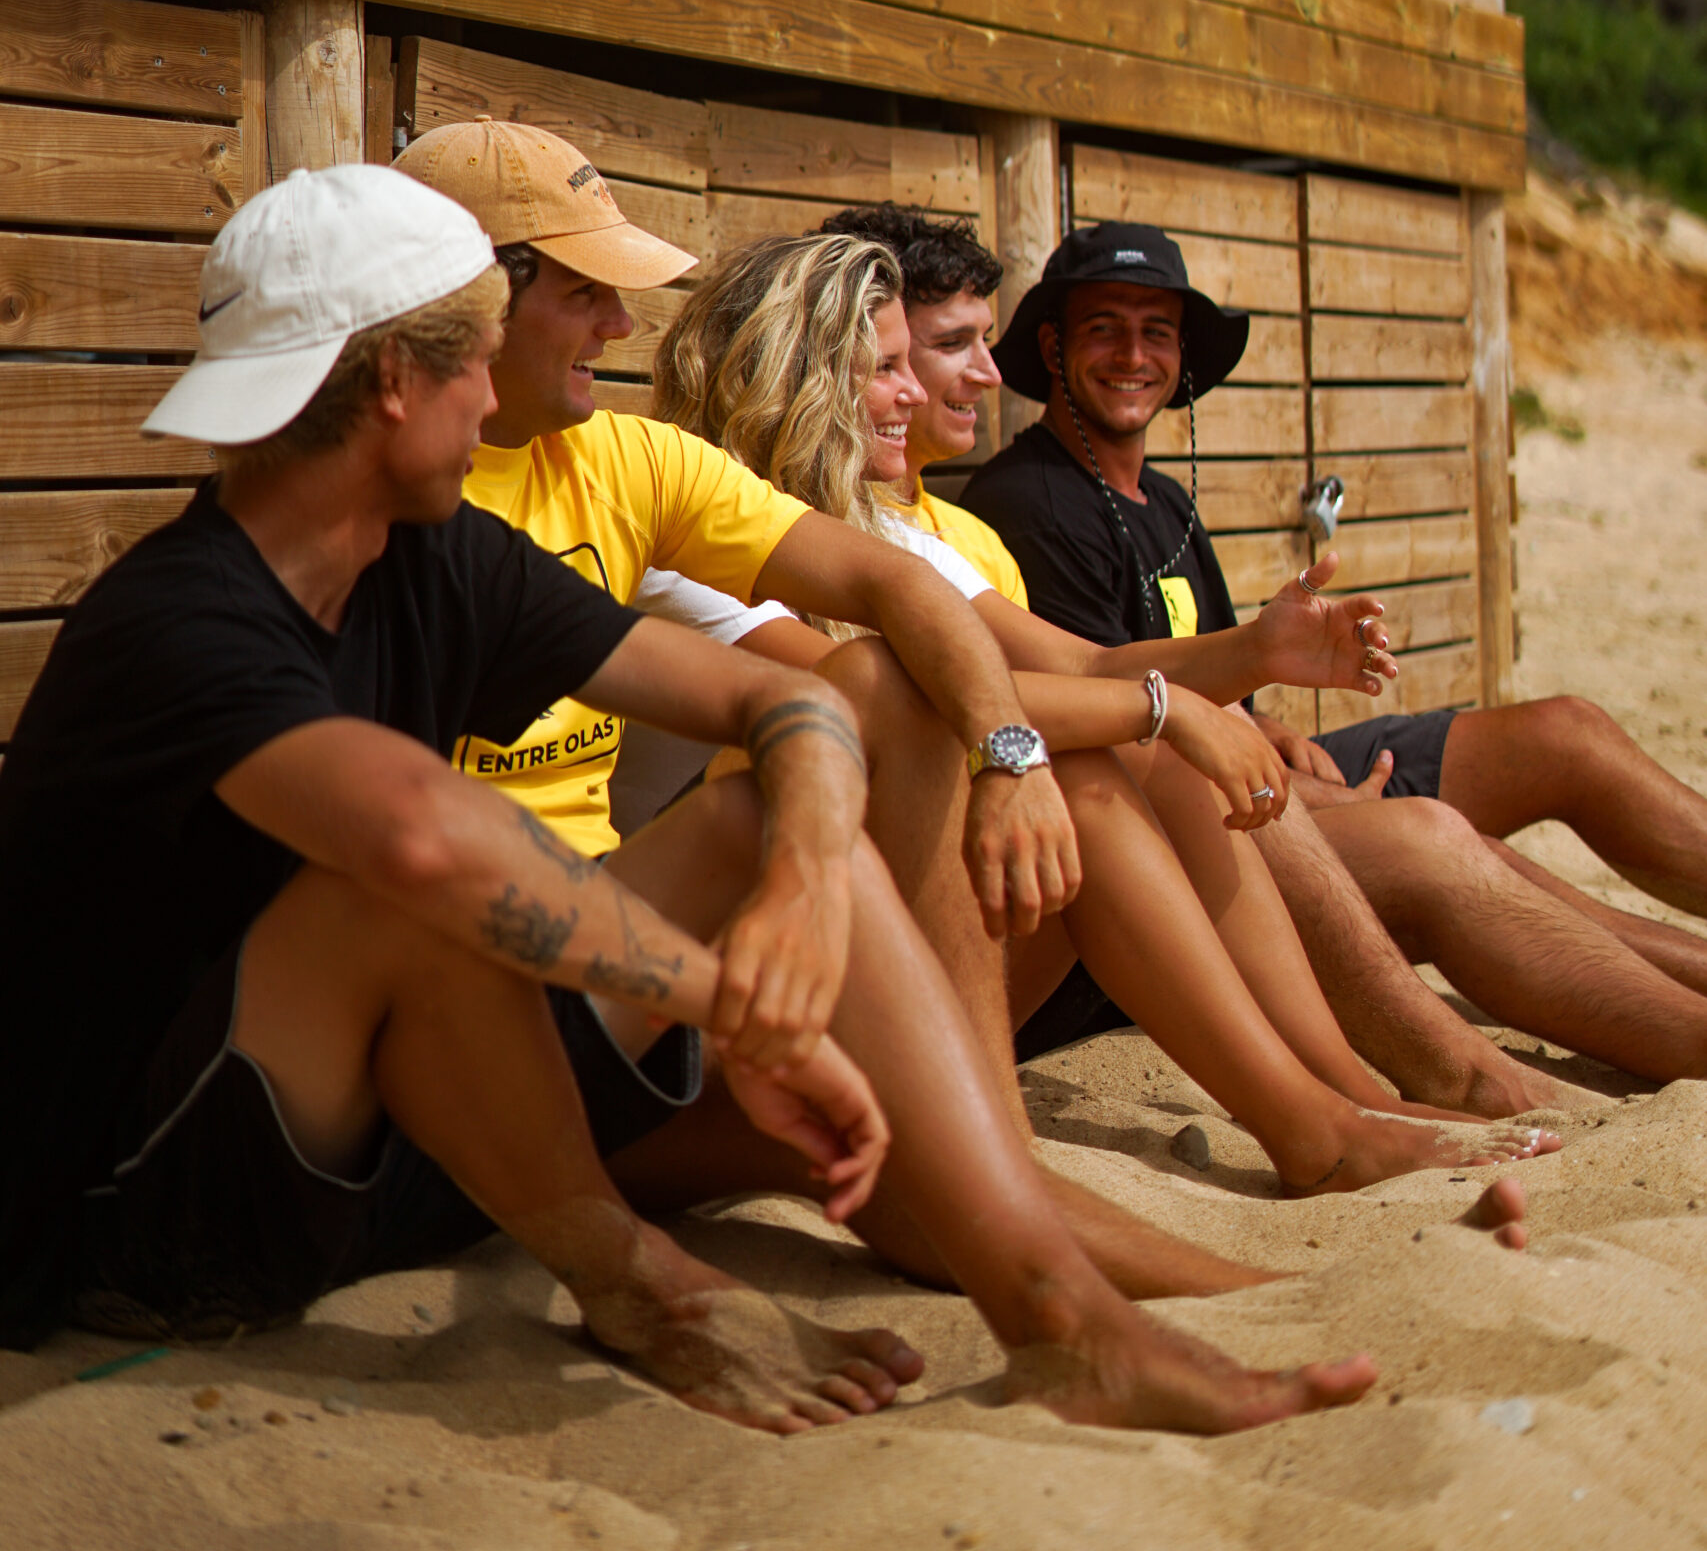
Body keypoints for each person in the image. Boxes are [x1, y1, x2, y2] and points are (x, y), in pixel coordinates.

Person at [0, 164, 1392, 1440]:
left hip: (409, 1141)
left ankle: (1066, 1330)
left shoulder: (436, 562)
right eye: (476, 367)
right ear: (387, 388)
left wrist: (793, 881)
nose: (496, 405)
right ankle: (646, 1283)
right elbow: (422, 841)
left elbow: (787, 701)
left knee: (782, 839)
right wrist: (734, 1000)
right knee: (403, 880)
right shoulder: (178, 622)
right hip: (154, 1216)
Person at [393, 121, 1533, 1281]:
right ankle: (1229, 1192)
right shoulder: (427, 517)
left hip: (796, 929)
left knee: (1116, 758)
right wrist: (1146, 711)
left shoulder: (638, 469)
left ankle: (1317, 1115)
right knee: (973, 722)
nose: (621, 325)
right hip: (656, 966)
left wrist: (1230, 668)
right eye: (589, 292)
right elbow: (854, 690)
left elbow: (999, 640)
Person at [650, 228, 1554, 1195]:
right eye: (887, 369)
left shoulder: (871, 529)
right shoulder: (692, 544)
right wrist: (1161, 710)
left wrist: (1254, 654)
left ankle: (1337, 1102)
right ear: (799, 376)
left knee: (1134, 756)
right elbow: (882, 695)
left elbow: (1081, 663)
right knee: (1105, 762)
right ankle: (1317, 1120)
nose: (917, 394)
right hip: (745, 981)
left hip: (896, 928)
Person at [960, 220, 1707, 1088]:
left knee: (1566, 733)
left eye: (1155, 331)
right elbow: (1121, 729)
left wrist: (1271, 722)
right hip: (1180, 831)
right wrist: (1313, 800)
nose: (1133, 354)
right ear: (1051, 346)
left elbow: (1206, 674)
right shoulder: (1028, 502)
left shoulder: (1161, 497)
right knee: (1441, 844)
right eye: (1104, 328)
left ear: (1182, 354)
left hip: (1253, 769)